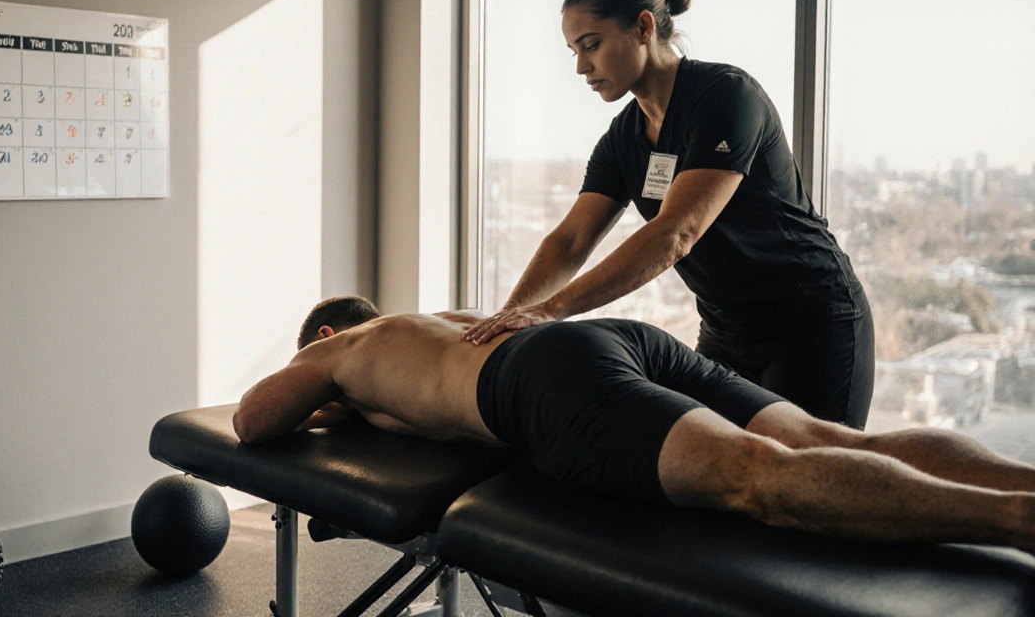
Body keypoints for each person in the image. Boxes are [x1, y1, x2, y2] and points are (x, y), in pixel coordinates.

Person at [235, 296, 1035, 553]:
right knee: (829, 437)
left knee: (755, 478)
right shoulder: (423, 318)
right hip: (609, 337)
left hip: (544, 384)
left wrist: (322, 385)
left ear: (328, 334)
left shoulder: (341, 353)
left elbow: (251, 419)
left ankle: (1017, 520)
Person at [462, 0, 874, 429]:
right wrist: (510, 319)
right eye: (574, 51)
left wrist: (552, 311)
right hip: (726, 330)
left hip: (813, 324)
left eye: (591, 46)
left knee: (811, 486)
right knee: (719, 482)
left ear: (643, 26)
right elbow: (571, 240)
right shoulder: (624, 139)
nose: (581, 67)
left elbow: (677, 233)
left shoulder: (725, 97)